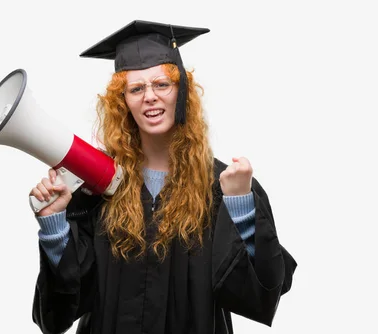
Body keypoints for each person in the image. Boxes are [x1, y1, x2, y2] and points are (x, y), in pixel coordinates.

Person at [29, 20, 297, 334]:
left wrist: (240, 207)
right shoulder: (98, 187)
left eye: (162, 84)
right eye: (136, 88)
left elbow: (261, 296)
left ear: (181, 93)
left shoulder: (221, 185)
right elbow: (59, 313)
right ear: (123, 102)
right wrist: (54, 226)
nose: (150, 97)